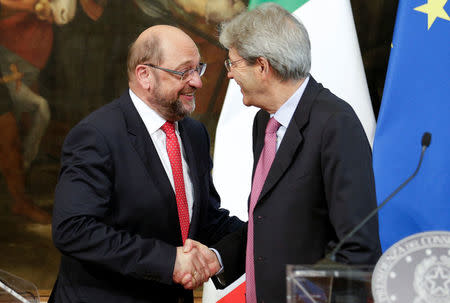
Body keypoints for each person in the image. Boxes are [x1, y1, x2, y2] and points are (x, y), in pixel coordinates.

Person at [188, 3, 382, 302]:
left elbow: (357, 247)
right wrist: (220, 257)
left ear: (262, 67)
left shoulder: (335, 124)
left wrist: (305, 298)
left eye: (233, 64)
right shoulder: (264, 121)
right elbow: (271, 220)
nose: (229, 75)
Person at [50, 25, 242, 303]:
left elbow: (204, 221)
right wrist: (168, 261)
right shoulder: (97, 135)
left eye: (197, 69)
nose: (197, 82)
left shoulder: (194, 134)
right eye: (183, 71)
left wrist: (267, 228)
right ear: (145, 75)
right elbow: (73, 229)